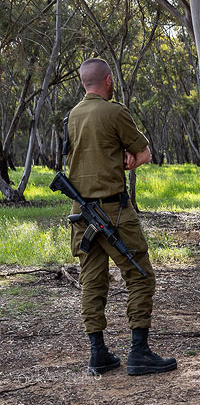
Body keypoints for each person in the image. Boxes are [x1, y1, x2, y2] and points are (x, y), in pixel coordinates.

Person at [67, 58, 177, 376]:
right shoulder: (115, 111)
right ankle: (139, 352)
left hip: (80, 214)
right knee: (140, 275)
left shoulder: (71, 116)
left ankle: (97, 353)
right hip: (113, 211)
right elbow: (144, 152)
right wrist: (130, 160)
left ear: (83, 83)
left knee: (91, 282)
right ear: (108, 80)